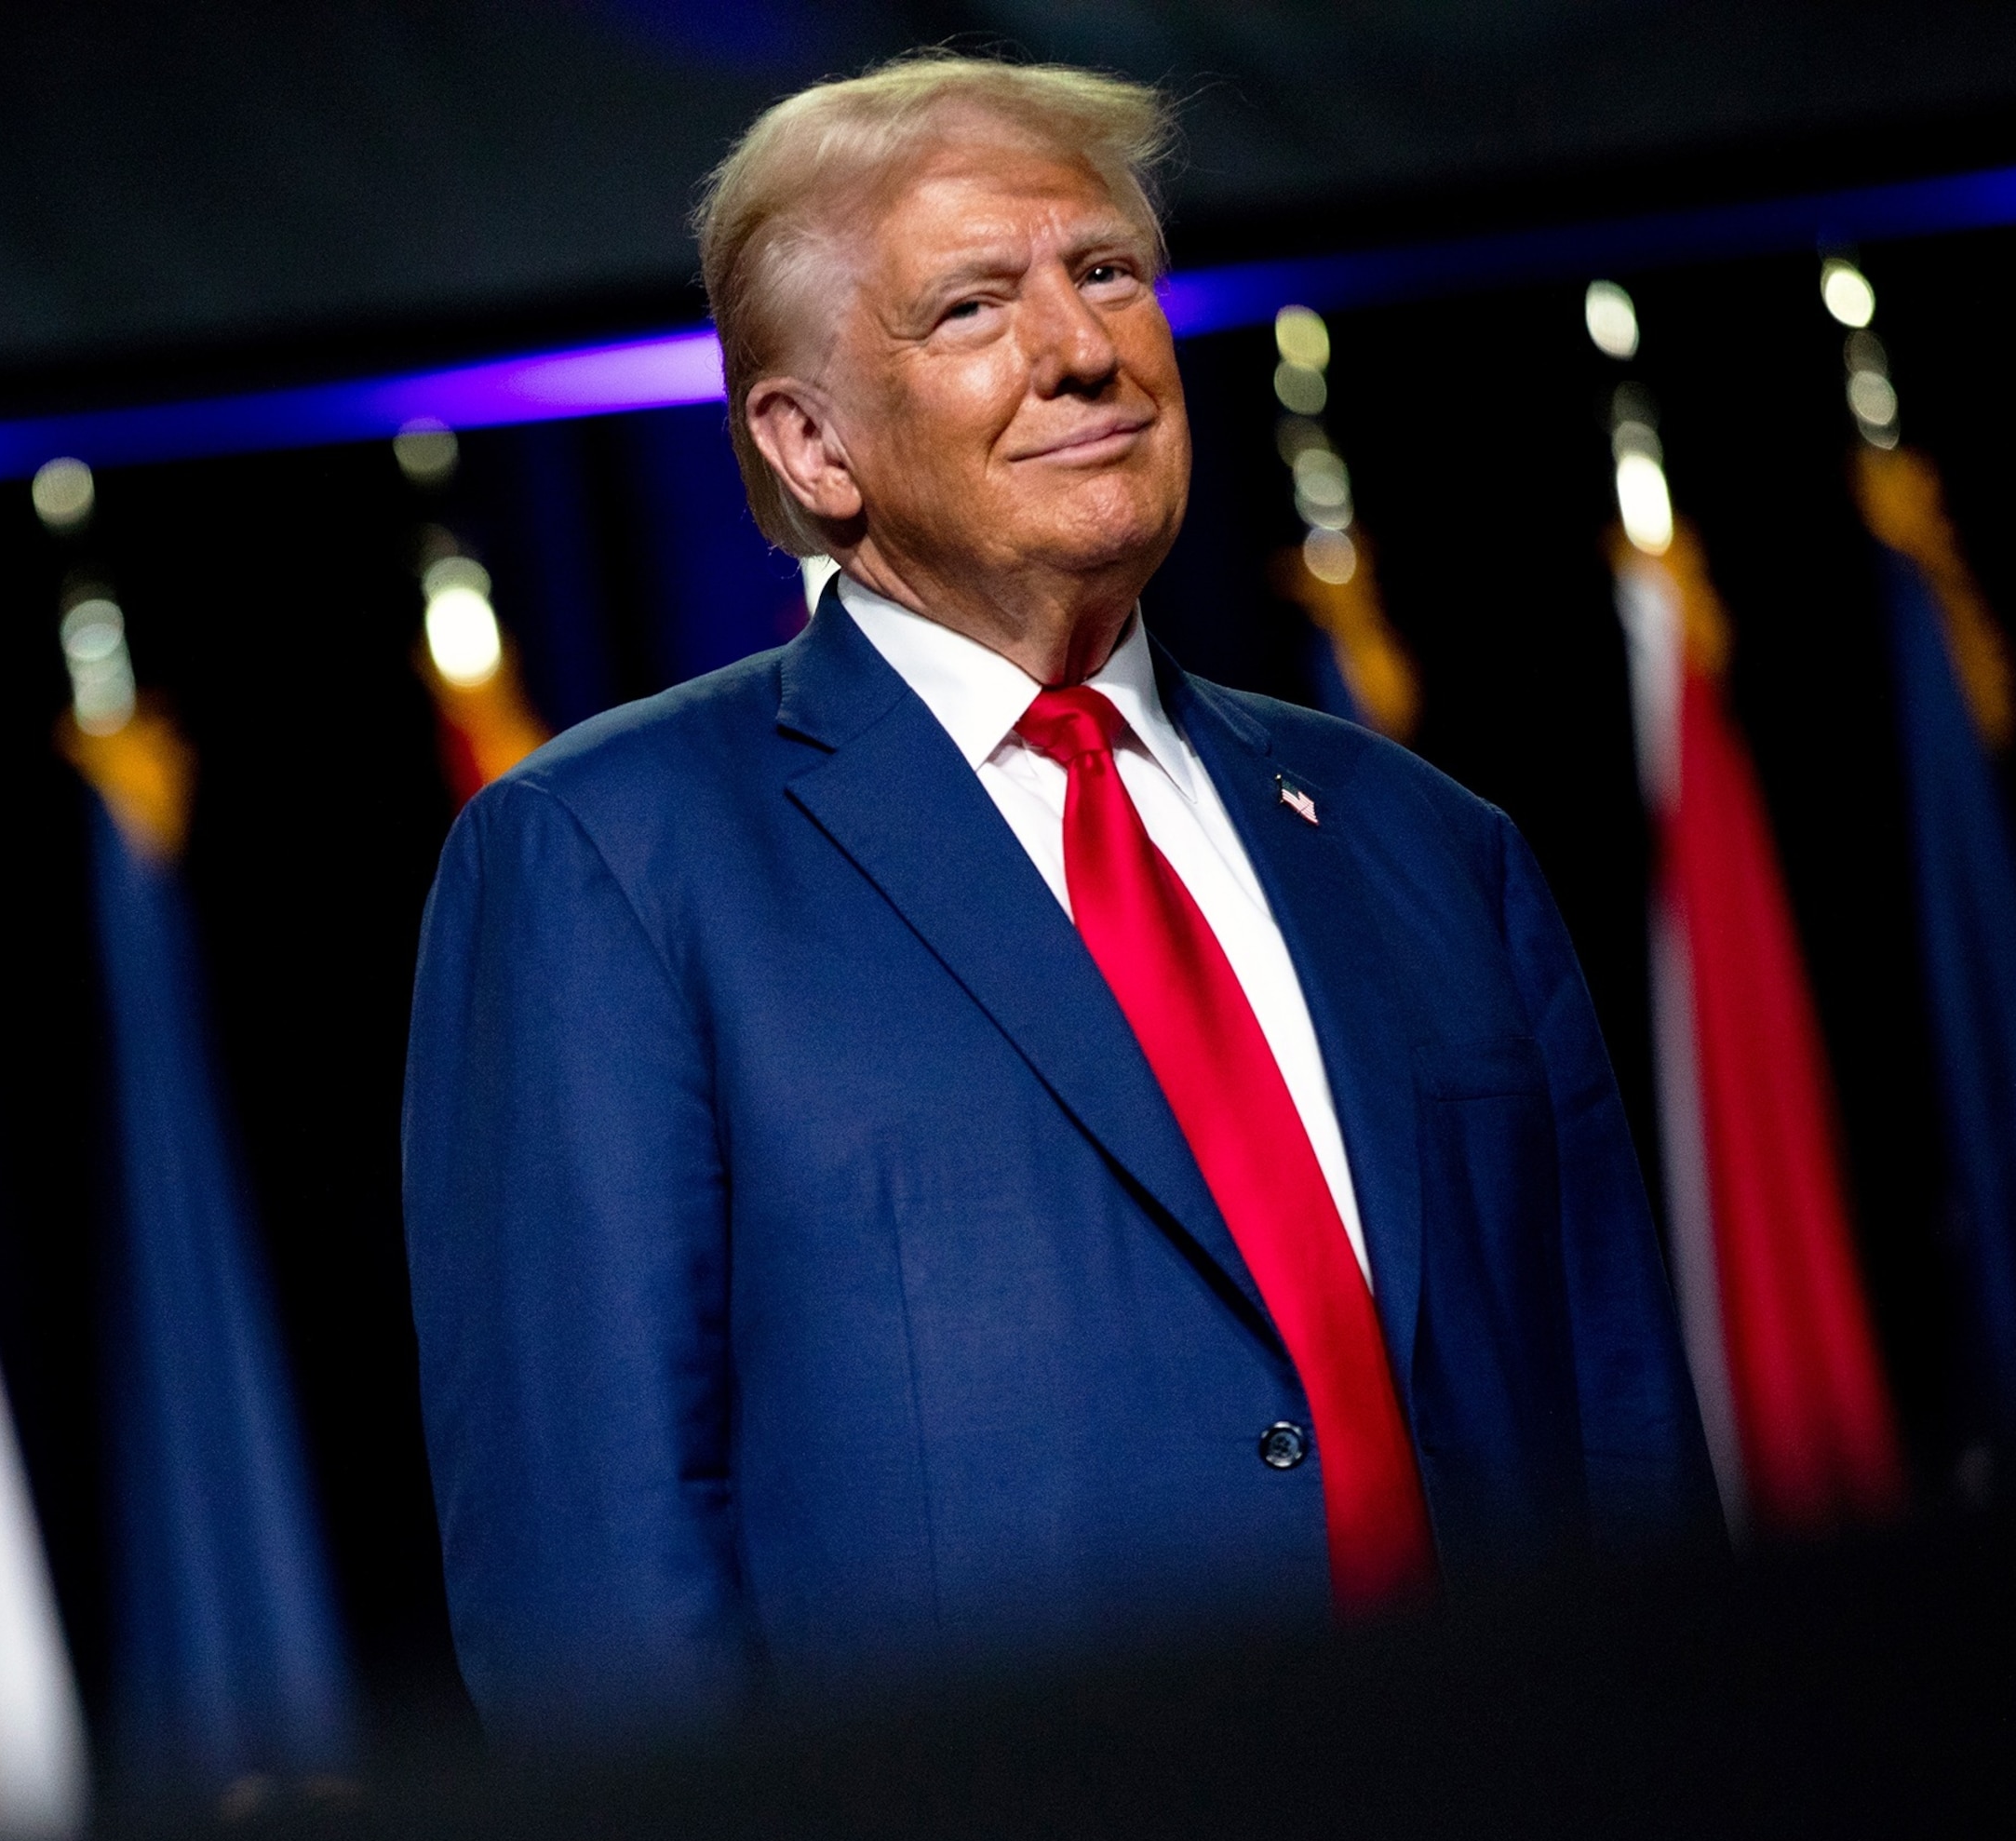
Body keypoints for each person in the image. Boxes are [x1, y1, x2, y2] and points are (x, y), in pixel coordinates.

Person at [402, 52, 1718, 1740]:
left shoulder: (1425, 841)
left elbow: (1620, 1439)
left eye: (1105, 272)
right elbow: (594, 1595)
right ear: (810, 446)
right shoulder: (608, 865)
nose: (1084, 348)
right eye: (970, 308)